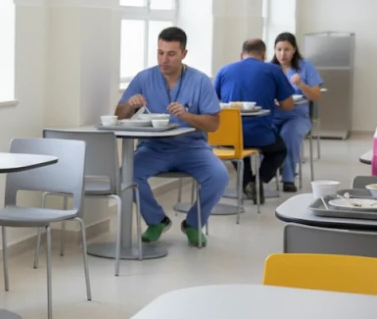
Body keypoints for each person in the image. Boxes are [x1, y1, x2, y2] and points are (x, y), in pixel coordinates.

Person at [115, 26, 228, 248]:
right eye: (160, 52)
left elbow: (214, 123)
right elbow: (118, 115)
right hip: (153, 148)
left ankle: (194, 224)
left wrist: (187, 116)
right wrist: (130, 105)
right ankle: (156, 220)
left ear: (184, 54)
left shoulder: (200, 81)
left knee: (219, 176)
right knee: (126, 175)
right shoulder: (144, 78)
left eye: (171, 54)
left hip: (192, 148)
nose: (164, 60)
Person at [213, 38, 295, 203]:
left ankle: (247, 182)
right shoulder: (273, 70)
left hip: (226, 136)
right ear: (263, 54)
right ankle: (258, 180)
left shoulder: (224, 70)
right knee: (279, 150)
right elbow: (287, 105)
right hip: (260, 134)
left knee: (238, 150)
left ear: (241, 55)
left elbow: (213, 103)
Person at [270, 32, 323, 192]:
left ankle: (288, 178)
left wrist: (301, 85)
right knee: (260, 134)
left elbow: (316, 96)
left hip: (297, 116)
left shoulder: (305, 67)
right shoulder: (270, 68)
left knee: (289, 134)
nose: (282, 54)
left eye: (287, 49)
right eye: (279, 49)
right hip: (273, 116)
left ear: (294, 50)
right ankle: (265, 172)